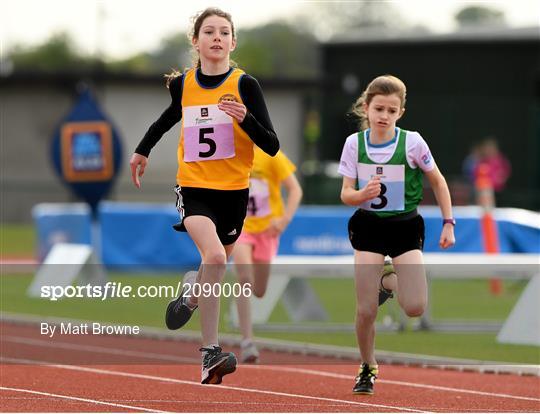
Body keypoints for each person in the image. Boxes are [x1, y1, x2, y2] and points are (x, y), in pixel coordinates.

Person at [129, 7, 279, 385]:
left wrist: (245, 118)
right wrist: (142, 150)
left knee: (212, 268)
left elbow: (273, 146)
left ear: (233, 41)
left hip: (233, 193)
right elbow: (167, 119)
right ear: (195, 41)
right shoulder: (184, 84)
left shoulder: (247, 85)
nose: (216, 38)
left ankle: (190, 296)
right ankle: (210, 353)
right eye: (208, 32)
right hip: (194, 188)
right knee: (213, 257)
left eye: (224, 32)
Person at [337, 75, 455, 395]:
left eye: (391, 110)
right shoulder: (354, 144)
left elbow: (438, 181)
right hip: (368, 226)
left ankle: (386, 280)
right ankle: (368, 365)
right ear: (366, 107)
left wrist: (448, 222)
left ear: (400, 113)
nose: (384, 116)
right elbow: (346, 193)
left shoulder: (413, 142)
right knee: (366, 310)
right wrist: (361, 194)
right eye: (379, 109)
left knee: (415, 307)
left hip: (405, 226)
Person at [232, 147, 302, 363]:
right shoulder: (229, 152)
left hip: (267, 231)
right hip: (241, 227)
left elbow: (295, 190)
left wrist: (284, 220)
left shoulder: (272, 155)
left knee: (259, 290)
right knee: (244, 278)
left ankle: (247, 336)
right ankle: (247, 341)